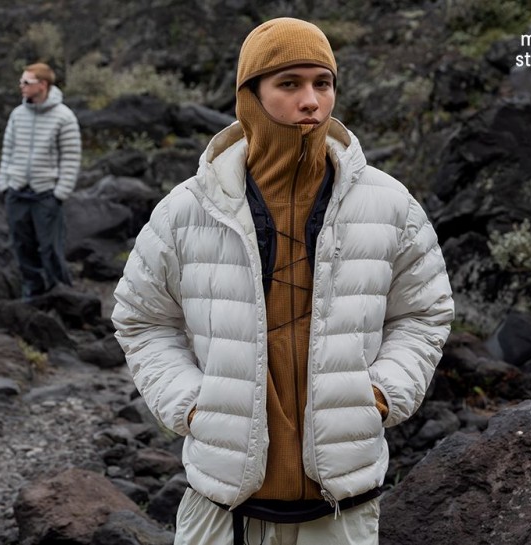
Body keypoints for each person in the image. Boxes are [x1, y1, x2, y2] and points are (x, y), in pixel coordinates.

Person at [112, 17, 454, 545]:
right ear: (250, 95)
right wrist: (193, 404)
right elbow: (142, 319)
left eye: (323, 83)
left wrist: (381, 394)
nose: (311, 101)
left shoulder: (390, 204)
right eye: (289, 84)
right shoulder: (187, 210)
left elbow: (424, 312)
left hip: (340, 510)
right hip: (223, 508)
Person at [0, 62, 82, 300]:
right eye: (21, 81)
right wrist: (4, 184)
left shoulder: (64, 117)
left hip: (45, 195)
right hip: (17, 192)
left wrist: (60, 193)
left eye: (27, 82)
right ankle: (32, 294)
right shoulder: (17, 115)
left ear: (42, 85)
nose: (21, 86)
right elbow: (7, 150)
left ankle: (62, 296)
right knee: (22, 247)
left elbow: (71, 157)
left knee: (50, 249)